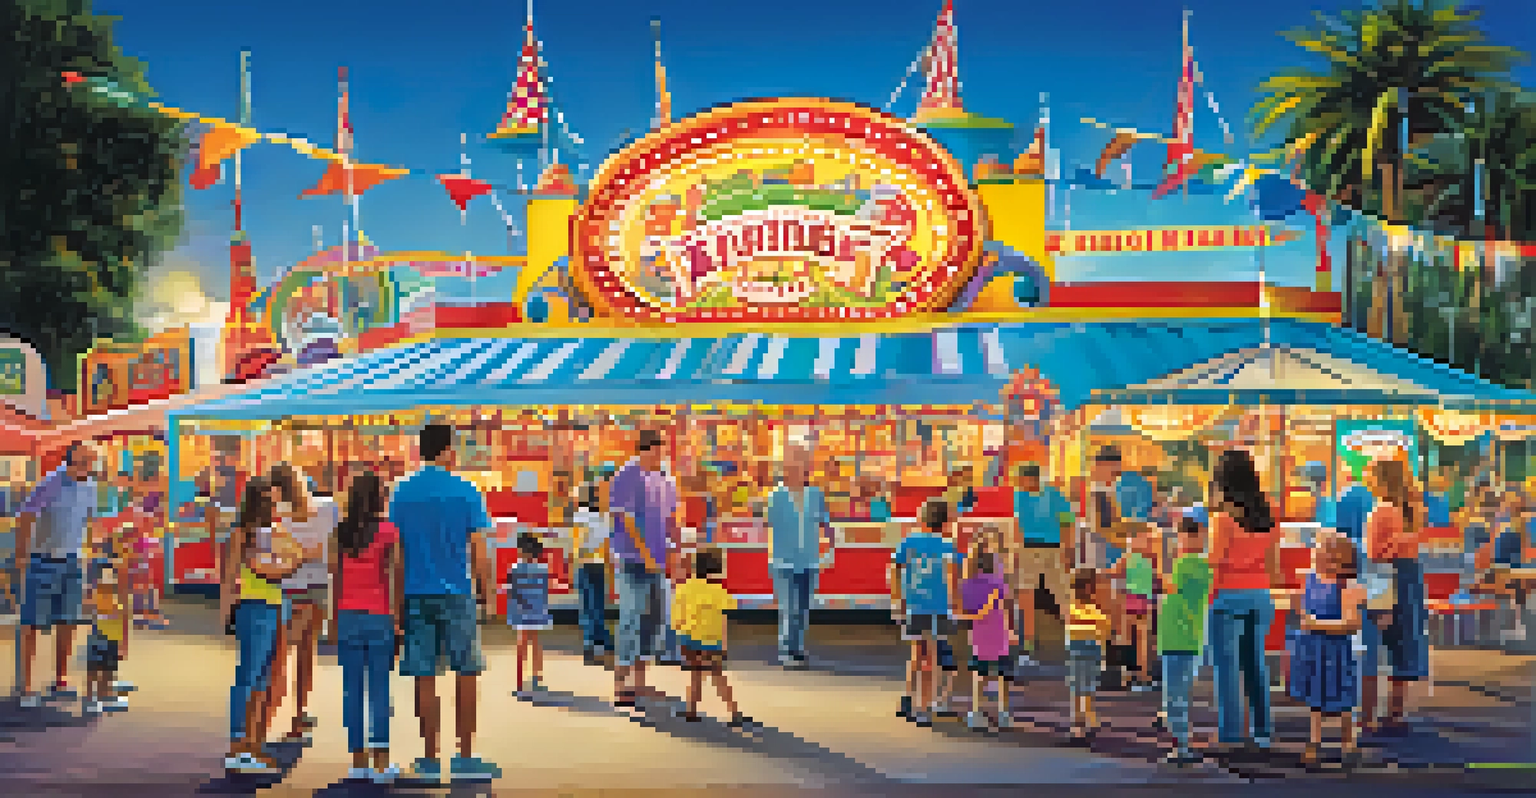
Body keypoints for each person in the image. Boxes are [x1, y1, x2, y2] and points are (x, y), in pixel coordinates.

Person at [389, 424, 500, 783]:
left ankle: (429, 758)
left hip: (415, 593)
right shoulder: (467, 491)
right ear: (448, 450)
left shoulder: (402, 492)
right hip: (458, 593)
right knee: (466, 672)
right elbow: (480, 550)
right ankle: (465, 755)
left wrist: (396, 602)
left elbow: (397, 553)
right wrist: (488, 594)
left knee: (424, 674)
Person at [221, 476, 302, 775]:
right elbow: (234, 574)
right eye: (272, 499)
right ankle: (238, 746)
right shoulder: (244, 533)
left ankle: (252, 745)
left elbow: (294, 558)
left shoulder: (272, 532)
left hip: (273, 606)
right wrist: (227, 613)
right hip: (254, 606)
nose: (276, 504)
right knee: (249, 677)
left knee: (261, 679)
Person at [330, 471, 403, 784]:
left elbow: (335, 577)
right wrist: (397, 618)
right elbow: (396, 575)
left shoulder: (340, 532)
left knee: (352, 690)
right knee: (380, 689)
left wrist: (333, 619)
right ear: (377, 497)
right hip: (379, 615)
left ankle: (358, 760)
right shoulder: (389, 531)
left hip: (347, 614)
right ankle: (381, 761)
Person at [1207, 448, 1280, 752]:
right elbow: (1274, 566)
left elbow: (1214, 562)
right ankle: (1262, 731)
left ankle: (1230, 734)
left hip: (1227, 595)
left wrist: (1207, 598)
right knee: (1255, 665)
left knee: (1226, 668)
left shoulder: (1223, 518)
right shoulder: (1270, 512)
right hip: (1260, 595)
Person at [16, 443, 99, 708]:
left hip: (73, 561)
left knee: (68, 620)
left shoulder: (90, 486)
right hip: (42, 559)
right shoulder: (50, 483)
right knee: (32, 623)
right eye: (83, 462)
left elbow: (89, 521)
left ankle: (60, 679)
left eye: (91, 462)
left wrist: (91, 550)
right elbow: (25, 515)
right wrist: (21, 554)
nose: (88, 467)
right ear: (70, 461)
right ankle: (26, 686)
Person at [267, 464, 336, 745]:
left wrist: (297, 555)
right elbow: (330, 550)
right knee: (307, 652)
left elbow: (275, 552)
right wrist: (312, 554)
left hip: (285, 587)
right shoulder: (328, 508)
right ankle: (299, 715)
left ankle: (266, 718)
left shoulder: (275, 514)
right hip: (317, 586)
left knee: (279, 655)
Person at [609, 429, 677, 708]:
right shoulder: (627, 475)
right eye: (656, 450)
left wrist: (674, 550)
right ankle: (620, 685)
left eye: (662, 450)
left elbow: (670, 517)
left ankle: (640, 682)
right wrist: (646, 554)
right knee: (630, 618)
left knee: (654, 619)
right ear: (644, 450)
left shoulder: (664, 478)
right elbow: (625, 519)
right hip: (631, 559)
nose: (660, 455)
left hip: (657, 561)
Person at [1360, 459, 1428, 734]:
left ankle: (1367, 717)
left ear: (1382, 480)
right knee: (1404, 644)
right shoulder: (1413, 511)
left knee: (1371, 646)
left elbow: (1374, 554)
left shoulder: (1381, 510)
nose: (1367, 480)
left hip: (1384, 575)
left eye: (1370, 475)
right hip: (1410, 577)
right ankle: (1395, 713)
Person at [1290, 531, 1366, 769]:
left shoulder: (1348, 586)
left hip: (1337, 651)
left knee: (1343, 698)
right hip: (1313, 649)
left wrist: (1316, 624)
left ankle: (1348, 743)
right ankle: (1315, 741)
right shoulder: (1310, 579)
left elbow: (1352, 624)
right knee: (1315, 698)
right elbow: (1303, 609)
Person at [890, 498, 961, 728]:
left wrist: (897, 599)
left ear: (923, 519)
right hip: (937, 607)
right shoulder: (947, 546)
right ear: (945, 521)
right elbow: (952, 577)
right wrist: (955, 604)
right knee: (931, 658)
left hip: (914, 604)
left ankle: (908, 698)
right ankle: (923, 708)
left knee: (917, 653)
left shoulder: (909, 542)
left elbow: (896, 568)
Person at [672, 547, 753, 728]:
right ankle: (733, 712)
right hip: (711, 640)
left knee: (695, 674)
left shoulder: (684, 588)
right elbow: (729, 613)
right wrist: (724, 645)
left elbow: (676, 618)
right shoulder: (719, 592)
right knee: (717, 675)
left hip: (688, 639)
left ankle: (691, 710)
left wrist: (681, 637)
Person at [766, 447, 831, 669]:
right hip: (783, 561)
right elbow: (769, 522)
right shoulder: (776, 496)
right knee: (789, 608)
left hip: (809, 560)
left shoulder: (815, 495)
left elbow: (825, 522)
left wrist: (830, 545)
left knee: (803, 609)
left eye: (801, 465)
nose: (796, 470)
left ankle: (797, 648)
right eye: (792, 466)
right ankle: (786, 650)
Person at [1159, 515, 1212, 765]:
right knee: (1178, 694)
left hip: (1176, 638)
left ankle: (1181, 746)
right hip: (1190, 638)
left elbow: (1169, 586)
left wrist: (1158, 557)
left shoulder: (1184, 565)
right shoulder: (1204, 566)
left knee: (1174, 696)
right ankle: (1181, 742)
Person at [1012, 463, 1074, 666]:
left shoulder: (1052, 495)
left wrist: (1067, 549)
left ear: (1032, 479)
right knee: (1028, 596)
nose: (1021, 484)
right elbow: (1016, 526)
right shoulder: (1020, 497)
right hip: (1031, 548)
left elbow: (1068, 522)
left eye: (1022, 480)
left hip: (1049, 548)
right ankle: (1029, 645)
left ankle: (1068, 639)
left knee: (1060, 594)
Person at [957, 550, 1014, 732]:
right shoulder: (998, 584)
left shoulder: (966, 585)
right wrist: (1012, 631)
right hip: (999, 634)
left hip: (978, 635)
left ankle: (975, 711)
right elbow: (1006, 607)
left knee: (979, 674)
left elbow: (963, 609)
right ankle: (1003, 714)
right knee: (1003, 675)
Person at [1110, 527, 1159, 691]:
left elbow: (1113, 573)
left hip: (1133, 601)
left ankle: (1133, 676)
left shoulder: (1129, 558)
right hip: (1141, 601)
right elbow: (1158, 579)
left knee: (1132, 641)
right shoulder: (1148, 558)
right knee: (1140, 641)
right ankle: (1140, 676)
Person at [572, 482, 616, 664]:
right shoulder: (601, 518)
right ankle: (600, 641)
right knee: (596, 605)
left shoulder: (582, 515)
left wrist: (578, 558)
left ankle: (591, 643)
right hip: (596, 565)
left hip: (586, 564)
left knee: (588, 606)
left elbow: (580, 541)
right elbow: (606, 545)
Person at [505, 532, 553, 694]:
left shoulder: (514, 569)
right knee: (536, 642)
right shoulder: (542, 569)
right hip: (537, 611)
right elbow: (545, 592)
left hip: (520, 610)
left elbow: (511, 591)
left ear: (520, 550)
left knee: (522, 643)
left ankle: (519, 682)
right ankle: (536, 678)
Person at [1066, 567, 1110, 742]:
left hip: (1076, 650)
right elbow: (1104, 632)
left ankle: (1078, 721)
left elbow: (1069, 630)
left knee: (1077, 687)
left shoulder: (1072, 609)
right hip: (1091, 650)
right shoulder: (1094, 611)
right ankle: (1089, 718)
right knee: (1088, 687)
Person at [83, 560, 131, 715]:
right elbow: (87, 610)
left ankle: (104, 697)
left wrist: (123, 644)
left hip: (112, 639)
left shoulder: (117, 597)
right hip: (100, 636)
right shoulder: (96, 595)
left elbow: (123, 620)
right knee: (95, 669)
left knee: (108, 670)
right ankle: (92, 698)